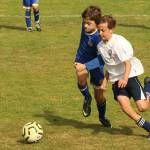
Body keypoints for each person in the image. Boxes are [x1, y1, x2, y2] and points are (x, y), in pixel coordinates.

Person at [78, 15, 150, 137]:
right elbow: (108, 64)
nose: (100, 33)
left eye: (103, 30)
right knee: (126, 107)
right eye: (99, 30)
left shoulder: (118, 43)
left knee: (142, 107)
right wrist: (105, 80)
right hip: (117, 80)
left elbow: (127, 64)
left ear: (111, 29)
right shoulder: (100, 46)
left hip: (130, 75)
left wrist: (125, 78)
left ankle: (148, 85)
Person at [74, 6, 111, 127]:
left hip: (96, 64)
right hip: (82, 58)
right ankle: (87, 97)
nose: (85, 25)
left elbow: (102, 59)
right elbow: (88, 14)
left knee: (99, 95)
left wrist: (86, 66)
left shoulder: (99, 39)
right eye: (84, 22)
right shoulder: (86, 23)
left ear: (97, 23)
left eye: (88, 23)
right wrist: (83, 65)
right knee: (80, 74)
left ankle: (102, 117)